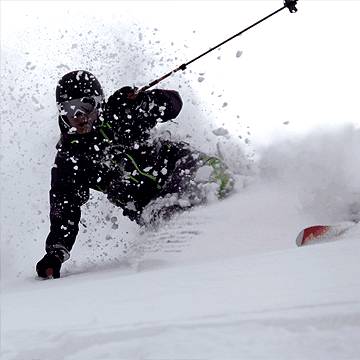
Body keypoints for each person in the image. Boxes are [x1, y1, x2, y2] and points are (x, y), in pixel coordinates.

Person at [36, 70, 234, 278]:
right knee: (175, 220)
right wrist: (55, 253)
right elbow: (64, 204)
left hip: (181, 166)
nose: (78, 116)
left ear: (98, 102)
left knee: (214, 181)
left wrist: (143, 101)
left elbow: (174, 104)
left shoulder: (121, 113)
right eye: (69, 109)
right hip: (150, 205)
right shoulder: (71, 157)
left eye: (86, 106)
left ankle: (249, 201)